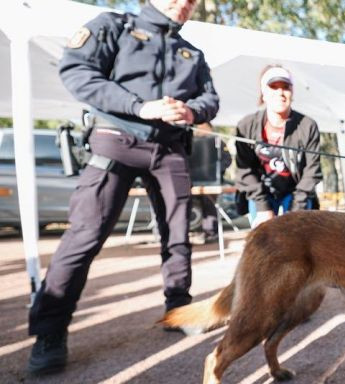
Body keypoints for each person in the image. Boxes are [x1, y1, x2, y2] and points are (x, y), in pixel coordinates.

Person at [27, 0, 218, 375]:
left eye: (191, 0)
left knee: (179, 236)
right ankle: (49, 332)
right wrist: (138, 106)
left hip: (171, 149)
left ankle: (178, 309)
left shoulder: (192, 53)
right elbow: (77, 71)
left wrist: (192, 112)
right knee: (84, 235)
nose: (183, 4)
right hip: (116, 140)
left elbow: (210, 99)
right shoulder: (113, 25)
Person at [235, 65, 322, 228]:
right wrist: (262, 207)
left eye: (285, 87)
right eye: (273, 87)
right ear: (263, 92)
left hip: (297, 193)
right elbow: (244, 171)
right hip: (261, 193)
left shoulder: (308, 125)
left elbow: (312, 171)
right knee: (264, 242)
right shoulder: (246, 126)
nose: (280, 93)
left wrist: (297, 209)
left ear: (292, 92)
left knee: (297, 238)